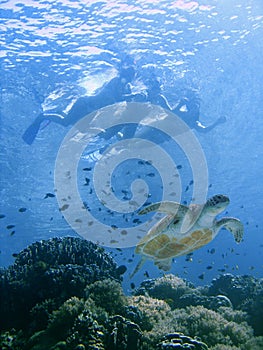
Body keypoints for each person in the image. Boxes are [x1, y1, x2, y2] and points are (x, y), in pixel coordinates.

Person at [22, 65, 136, 145]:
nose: (129, 79)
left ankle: (60, 112)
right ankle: (42, 116)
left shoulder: (127, 88)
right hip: (84, 104)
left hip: (90, 111)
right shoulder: (115, 81)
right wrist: (132, 96)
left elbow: (127, 103)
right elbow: (112, 97)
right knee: (66, 122)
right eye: (130, 76)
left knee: (83, 129)